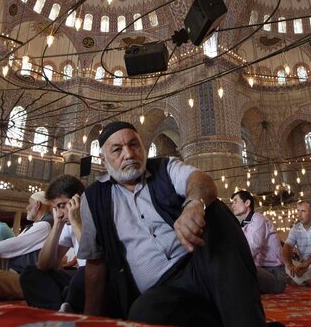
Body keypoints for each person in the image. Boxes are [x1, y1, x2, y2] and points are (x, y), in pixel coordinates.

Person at [78, 121, 266, 326]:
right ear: (103, 160)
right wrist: (90, 319)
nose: (129, 154)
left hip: (201, 266)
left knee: (214, 209)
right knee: (144, 312)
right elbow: (95, 263)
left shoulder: (165, 167)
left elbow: (200, 180)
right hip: (163, 291)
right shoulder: (94, 199)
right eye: (117, 150)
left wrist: (194, 203)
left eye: (134, 145)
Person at [20, 175, 86, 312]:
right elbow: (44, 265)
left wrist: (77, 223)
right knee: (30, 273)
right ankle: (59, 310)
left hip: (97, 279)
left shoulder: (95, 216)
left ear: (79, 200)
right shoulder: (65, 223)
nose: (60, 214)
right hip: (80, 281)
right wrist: (57, 226)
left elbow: (93, 260)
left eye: (62, 206)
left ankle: (66, 306)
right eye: (56, 208)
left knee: (82, 274)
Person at [0, 191, 53, 301]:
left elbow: (15, 244)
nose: (27, 208)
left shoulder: (45, 225)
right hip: (16, 269)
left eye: (29, 203)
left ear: (37, 204)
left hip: (27, 275)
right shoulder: (36, 225)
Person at [230, 190, 286, 294]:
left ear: (247, 203)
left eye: (235, 201)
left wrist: (232, 262)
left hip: (274, 275)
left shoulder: (258, 219)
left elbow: (253, 247)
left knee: (235, 267)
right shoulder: (244, 225)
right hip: (260, 270)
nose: (232, 205)